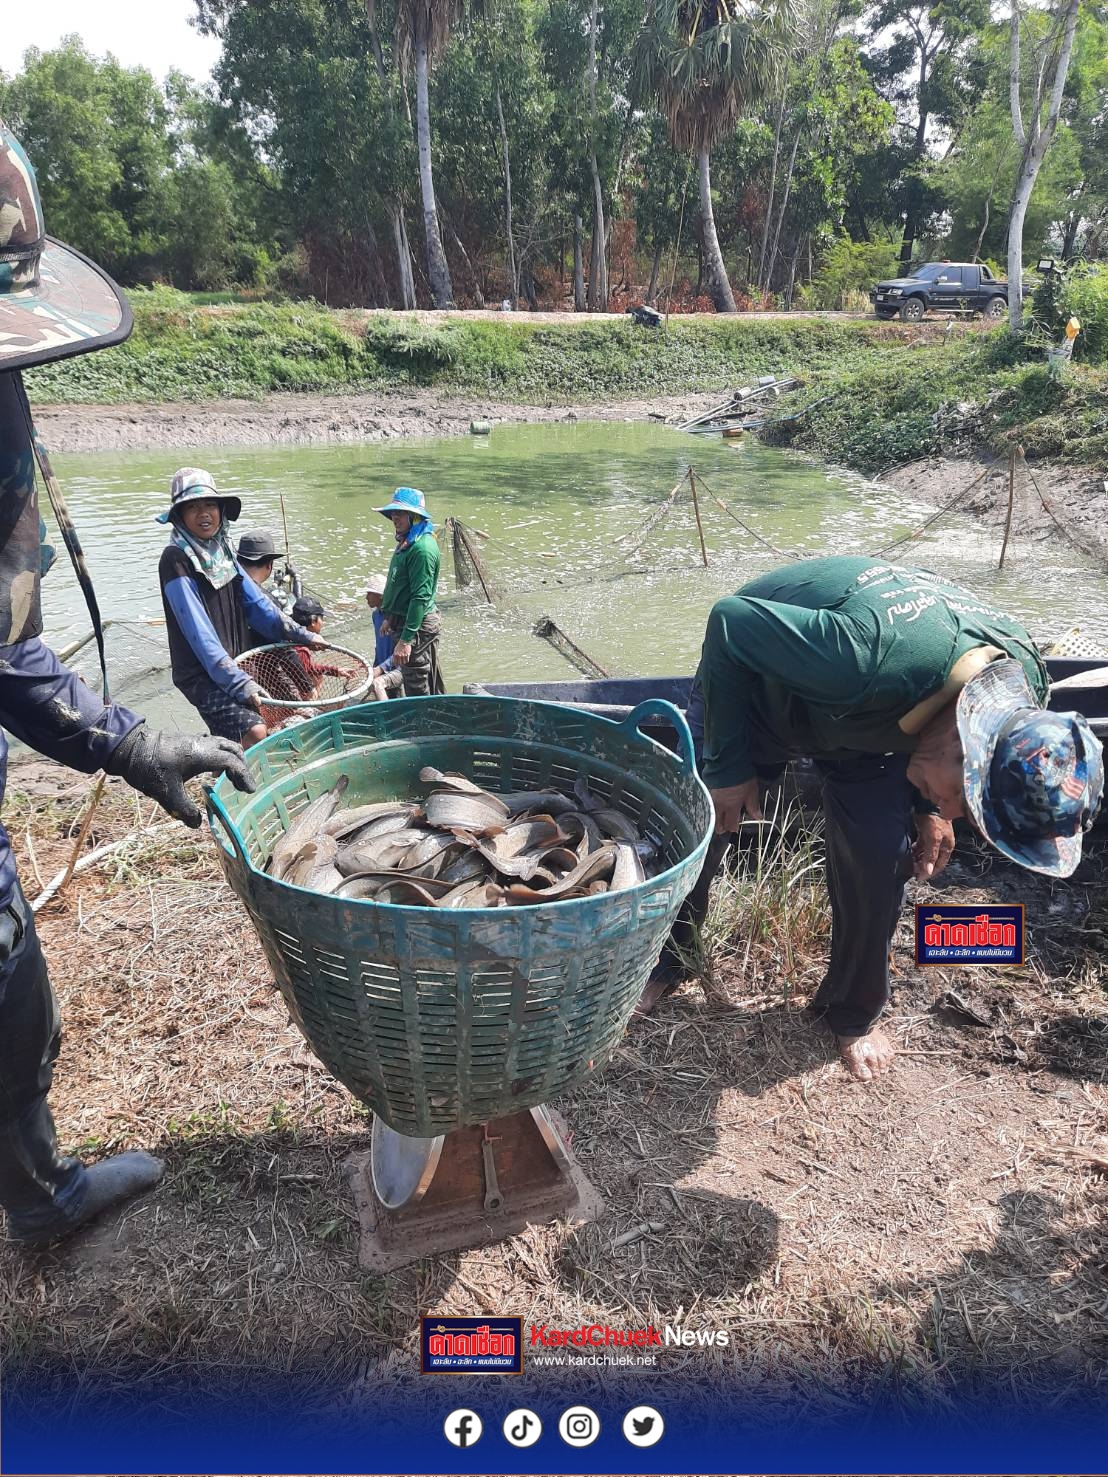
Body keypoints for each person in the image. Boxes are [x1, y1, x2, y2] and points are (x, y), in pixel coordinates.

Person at [0, 121, 255, 1246]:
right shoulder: (175, 567)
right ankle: (44, 1198)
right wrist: (140, 741)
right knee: (13, 998)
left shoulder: (223, 559)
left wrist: (135, 741)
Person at [697, 555, 1103, 1082]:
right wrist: (728, 767)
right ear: (963, 742)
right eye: (966, 800)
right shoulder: (861, 657)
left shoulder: (1025, 692)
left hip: (878, 721)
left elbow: (945, 742)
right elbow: (730, 619)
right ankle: (664, 962)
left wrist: (931, 807)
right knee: (708, 820)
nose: (956, 815)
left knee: (884, 854)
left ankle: (851, 1009)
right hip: (763, 683)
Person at [157, 470, 322, 747]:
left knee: (235, 736)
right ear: (179, 516)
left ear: (221, 509)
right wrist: (238, 682)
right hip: (202, 673)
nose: (204, 514)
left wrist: (303, 635)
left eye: (210, 505)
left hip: (237, 661)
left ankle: (222, 775)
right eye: (193, 507)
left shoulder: (223, 551)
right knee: (255, 731)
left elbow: (257, 604)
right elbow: (199, 632)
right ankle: (235, 783)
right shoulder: (175, 560)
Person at [376, 488, 445, 696]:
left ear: (414, 516)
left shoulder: (421, 549)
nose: (394, 518)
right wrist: (390, 617)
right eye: (393, 513)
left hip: (417, 626)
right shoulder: (408, 542)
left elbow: (420, 598)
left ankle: (422, 725)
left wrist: (406, 640)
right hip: (405, 620)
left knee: (416, 684)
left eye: (400, 513)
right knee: (414, 677)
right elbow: (401, 586)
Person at [365, 572, 403, 702]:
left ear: (380, 596)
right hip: (384, 667)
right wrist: (374, 667)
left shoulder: (395, 617)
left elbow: (402, 650)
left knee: (378, 684)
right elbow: (379, 646)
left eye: (370, 593)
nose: (366, 597)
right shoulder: (376, 615)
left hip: (400, 668)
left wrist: (381, 669)